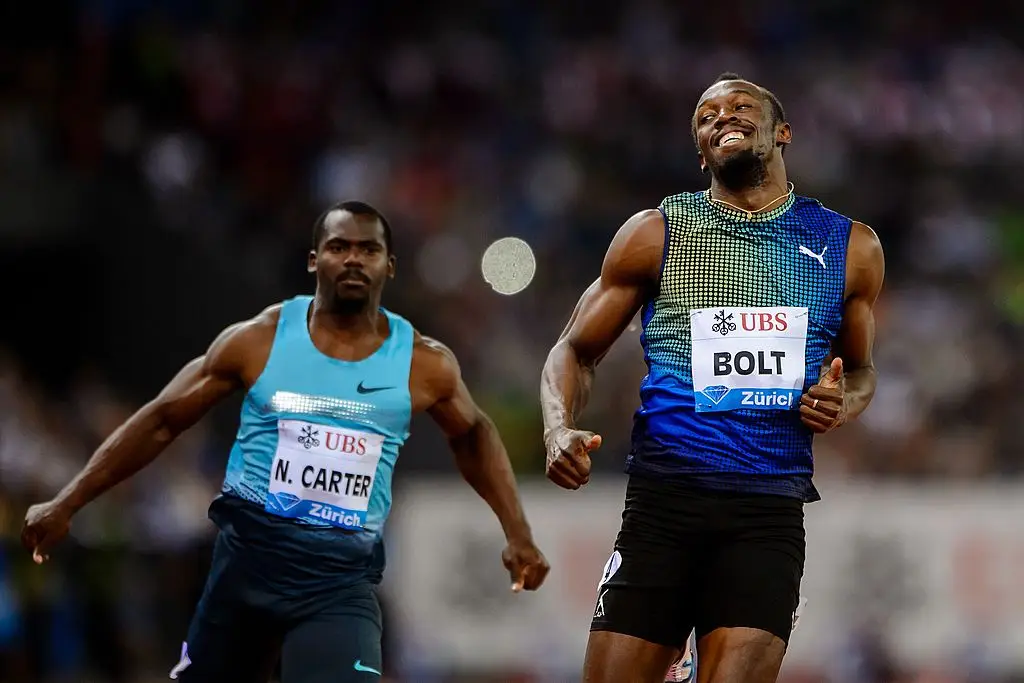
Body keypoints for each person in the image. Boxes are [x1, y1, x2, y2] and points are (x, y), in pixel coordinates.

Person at [22, 200, 550, 683]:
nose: (353, 259)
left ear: (389, 266)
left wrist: (517, 531)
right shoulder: (258, 340)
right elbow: (162, 420)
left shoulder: (424, 364)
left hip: (338, 584)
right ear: (313, 259)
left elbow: (475, 436)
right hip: (244, 571)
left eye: (368, 249)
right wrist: (69, 501)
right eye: (339, 246)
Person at [541, 72, 885, 683]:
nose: (722, 115)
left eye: (740, 105)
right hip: (664, 503)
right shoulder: (656, 233)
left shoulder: (849, 246)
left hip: (767, 511)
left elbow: (859, 372)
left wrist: (842, 403)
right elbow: (573, 349)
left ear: (782, 132)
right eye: (705, 115)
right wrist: (557, 428)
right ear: (699, 150)